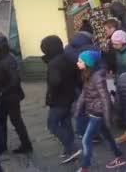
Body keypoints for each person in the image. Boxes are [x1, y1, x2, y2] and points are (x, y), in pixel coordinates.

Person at [74, 50, 126, 171]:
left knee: (86, 140)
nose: (77, 63)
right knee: (107, 136)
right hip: (94, 110)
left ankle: (85, 167)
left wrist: (107, 118)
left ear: (88, 63)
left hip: (98, 112)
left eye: (80, 61)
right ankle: (120, 157)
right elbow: (84, 93)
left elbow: (105, 98)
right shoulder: (87, 74)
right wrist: (77, 109)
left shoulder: (97, 77)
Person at [40, 35, 81, 163]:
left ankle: (72, 148)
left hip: (59, 100)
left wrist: (50, 96)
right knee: (65, 122)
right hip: (70, 96)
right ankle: (69, 149)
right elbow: (77, 76)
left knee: (52, 124)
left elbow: (55, 82)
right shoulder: (68, 57)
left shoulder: (54, 63)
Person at [0, 35, 31, 154]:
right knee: (1, 121)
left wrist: (2, 92)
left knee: (16, 121)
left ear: (0, 48)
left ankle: (26, 145)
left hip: (10, 97)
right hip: (0, 97)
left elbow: (15, 80)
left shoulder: (8, 60)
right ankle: (2, 145)